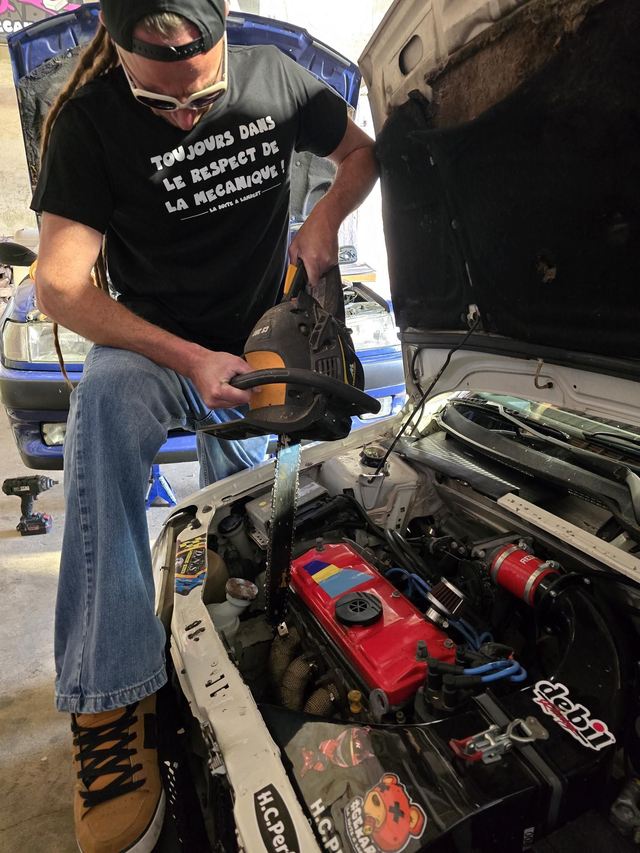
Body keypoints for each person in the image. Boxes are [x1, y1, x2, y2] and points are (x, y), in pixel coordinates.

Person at [32, 1, 378, 850]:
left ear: (222, 32)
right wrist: (188, 359)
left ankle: (235, 609)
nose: (185, 113)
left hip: (261, 344)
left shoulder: (275, 79)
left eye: (202, 94)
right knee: (104, 406)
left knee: (262, 519)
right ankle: (110, 700)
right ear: (120, 52)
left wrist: (323, 217)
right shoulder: (88, 125)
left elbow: (361, 154)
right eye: (160, 101)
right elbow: (61, 286)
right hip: (155, 350)